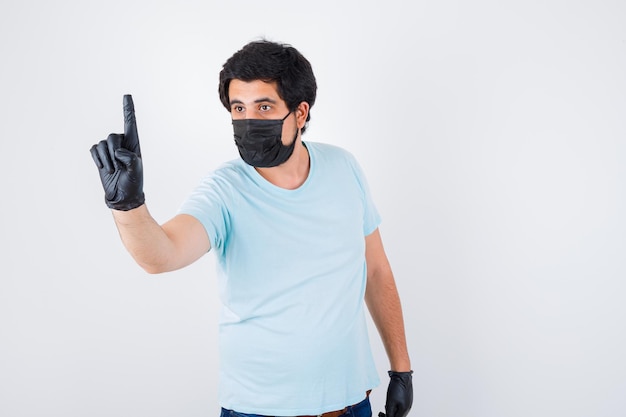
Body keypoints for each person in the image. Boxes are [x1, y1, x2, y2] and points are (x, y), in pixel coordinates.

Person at [90, 39, 413, 417]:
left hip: (349, 402)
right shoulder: (224, 190)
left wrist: (402, 370)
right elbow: (161, 256)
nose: (249, 122)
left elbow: (375, 269)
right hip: (258, 409)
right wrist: (128, 206)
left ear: (300, 112)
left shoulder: (344, 167)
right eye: (238, 108)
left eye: (264, 106)